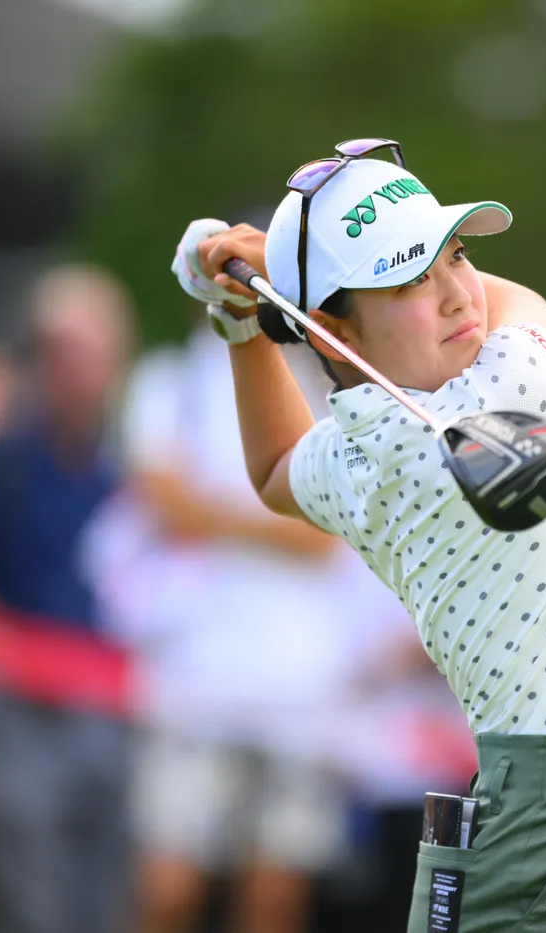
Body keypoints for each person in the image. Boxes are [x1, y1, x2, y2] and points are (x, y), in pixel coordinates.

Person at [171, 139, 546, 933]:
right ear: (328, 329)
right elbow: (519, 303)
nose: (455, 295)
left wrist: (245, 323)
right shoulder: (515, 384)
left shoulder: (359, 453)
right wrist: (278, 282)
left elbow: (272, 469)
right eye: (407, 278)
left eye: (456, 256)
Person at [115, 317, 362, 933]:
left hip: (298, 683)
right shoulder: (170, 380)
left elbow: (323, 539)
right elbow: (165, 503)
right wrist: (277, 508)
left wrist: (213, 509)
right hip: (192, 679)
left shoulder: (323, 384)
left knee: (274, 893)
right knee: (168, 888)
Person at [0, 266, 134, 933]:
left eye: (87, 354)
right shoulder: (0, 461)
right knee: (26, 884)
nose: (72, 371)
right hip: (20, 704)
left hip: (114, 701)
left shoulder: (132, 461)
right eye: (58, 353)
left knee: (104, 879)